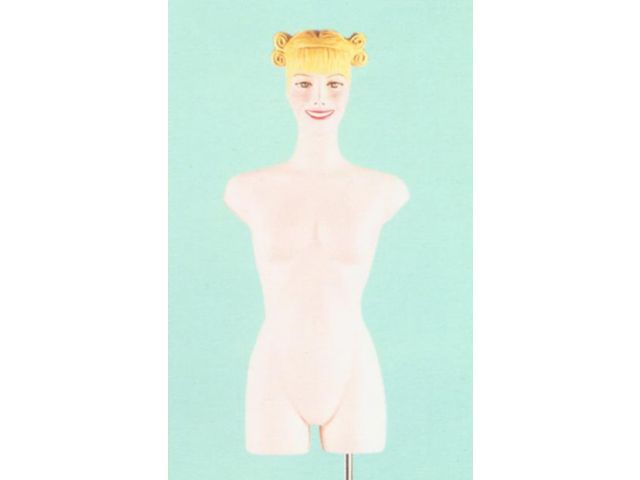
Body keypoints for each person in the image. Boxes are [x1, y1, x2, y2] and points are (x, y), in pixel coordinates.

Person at [223, 29, 410, 455]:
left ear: (350, 88)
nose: (319, 98)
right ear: (286, 88)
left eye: (334, 85)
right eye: (304, 83)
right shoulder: (249, 189)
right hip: (276, 367)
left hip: (352, 367)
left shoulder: (381, 190)